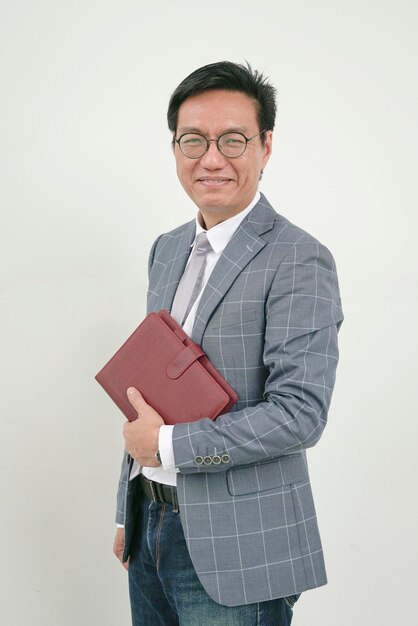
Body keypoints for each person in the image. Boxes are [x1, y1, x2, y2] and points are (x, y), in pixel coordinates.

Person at [113, 61, 344, 625]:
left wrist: (166, 447)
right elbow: (150, 391)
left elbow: (300, 414)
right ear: (174, 149)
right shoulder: (166, 249)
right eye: (192, 140)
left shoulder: (298, 258)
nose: (210, 158)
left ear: (266, 147)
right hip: (152, 528)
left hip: (242, 547)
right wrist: (129, 508)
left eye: (233, 139)